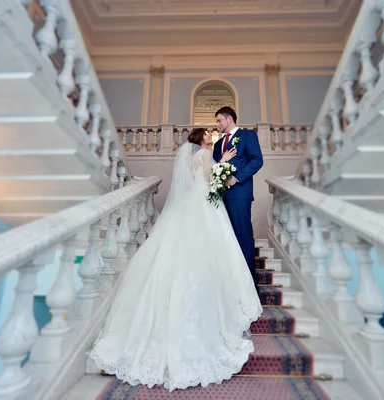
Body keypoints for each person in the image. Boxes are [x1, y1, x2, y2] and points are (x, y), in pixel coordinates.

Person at [89, 128, 263, 392]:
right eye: (207, 133)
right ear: (200, 140)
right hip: (204, 203)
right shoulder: (206, 154)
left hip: (190, 204)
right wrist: (225, 162)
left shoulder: (192, 156)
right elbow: (207, 179)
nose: (210, 135)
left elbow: (196, 179)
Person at [212, 107, 264, 291]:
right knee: (226, 238)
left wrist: (237, 177)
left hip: (240, 194)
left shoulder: (248, 136)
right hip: (220, 197)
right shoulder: (218, 145)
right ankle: (230, 283)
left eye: (219, 120)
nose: (217, 124)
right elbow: (214, 167)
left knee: (243, 236)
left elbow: (257, 160)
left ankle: (249, 284)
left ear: (229, 118)